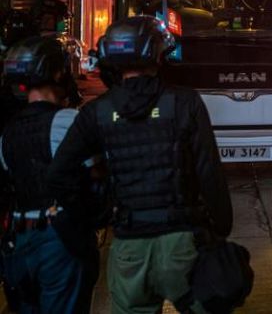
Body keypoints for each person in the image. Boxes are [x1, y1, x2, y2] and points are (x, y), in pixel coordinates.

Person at [46, 16, 233, 313]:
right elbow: (209, 172)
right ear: (158, 54)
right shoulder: (185, 103)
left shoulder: (97, 112)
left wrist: (98, 214)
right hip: (183, 243)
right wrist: (220, 230)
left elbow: (58, 174)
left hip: (129, 247)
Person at [0, 37, 99, 313]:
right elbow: (96, 175)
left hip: (17, 244)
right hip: (59, 241)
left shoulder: (8, 132)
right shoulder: (67, 121)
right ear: (57, 72)